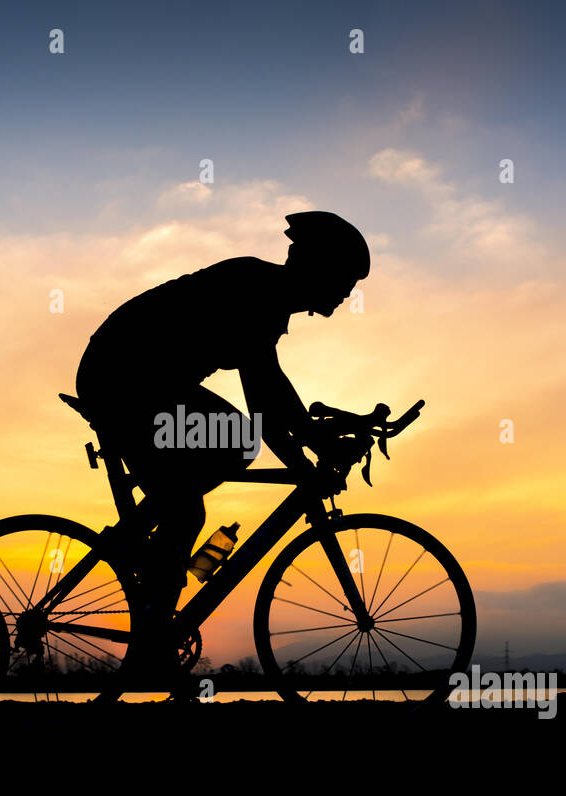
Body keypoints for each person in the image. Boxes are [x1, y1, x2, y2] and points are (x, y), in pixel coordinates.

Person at [73, 211, 370, 676]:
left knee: (229, 452)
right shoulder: (259, 291)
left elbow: (271, 392)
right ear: (320, 268)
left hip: (141, 379)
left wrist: (312, 445)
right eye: (347, 279)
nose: (350, 291)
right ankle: (152, 612)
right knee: (193, 503)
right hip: (123, 378)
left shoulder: (268, 296)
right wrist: (309, 456)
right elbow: (266, 405)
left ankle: (149, 544)